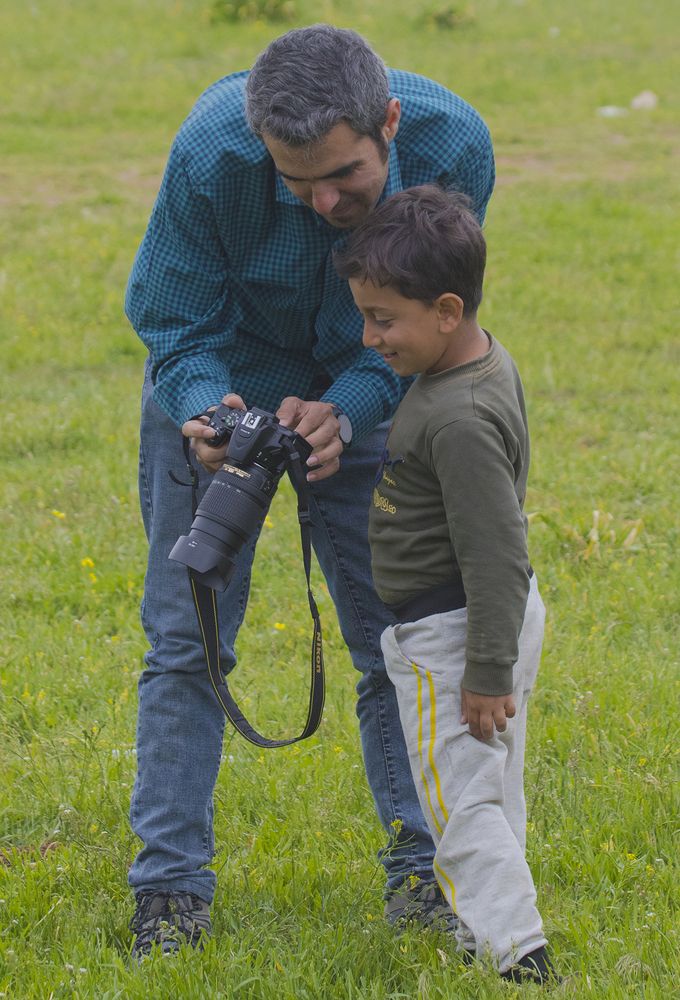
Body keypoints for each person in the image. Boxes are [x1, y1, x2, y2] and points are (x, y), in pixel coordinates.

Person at [124, 24, 495, 958]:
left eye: (346, 178)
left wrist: (354, 406)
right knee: (186, 642)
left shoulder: (453, 147)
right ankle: (168, 894)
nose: (324, 200)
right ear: (261, 146)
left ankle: (424, 876)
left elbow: (427, 325)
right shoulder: (213, 151)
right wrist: (209, 416)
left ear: (391, 124)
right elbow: (172, 320)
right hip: (225, 386)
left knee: (398, 647)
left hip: (363, 382)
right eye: (297, 181)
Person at [334, 185, 557, 985]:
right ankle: (491, 926)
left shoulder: (456, 418)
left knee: (458, 802)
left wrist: (485, 670)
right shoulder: (478, 363)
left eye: (384, 319)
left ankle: (516, 957)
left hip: (455, 631)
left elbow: (495, 547)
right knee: (490, 785)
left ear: (447, 309)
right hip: (488, 619)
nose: (369, 337)